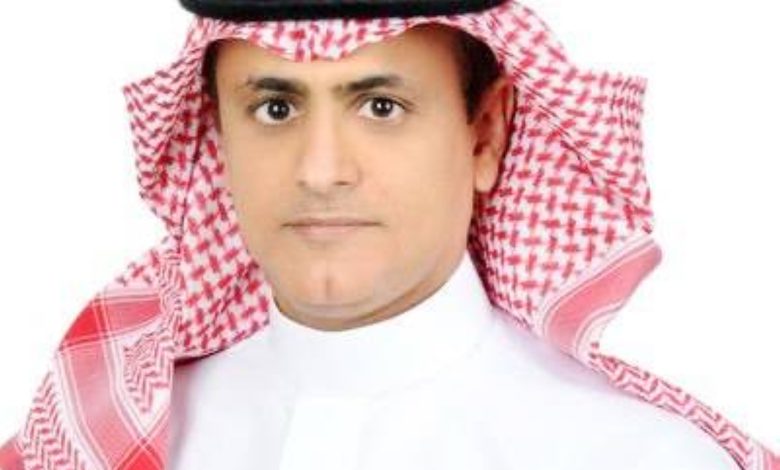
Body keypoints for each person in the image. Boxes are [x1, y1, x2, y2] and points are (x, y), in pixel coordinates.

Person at [0, 1, 777, 469]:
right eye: (275, 107)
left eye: (381, 107)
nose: (321, 171)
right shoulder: (99, 436)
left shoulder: (635, 457)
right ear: (218, 134)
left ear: (485, 135)